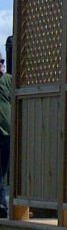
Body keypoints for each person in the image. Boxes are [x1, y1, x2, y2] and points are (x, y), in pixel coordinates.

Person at [0, 43, 12, 218]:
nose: (1, 65)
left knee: (4, 171)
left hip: (8, 135)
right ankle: (2, 205)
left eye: (2, 61)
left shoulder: (8, 80)